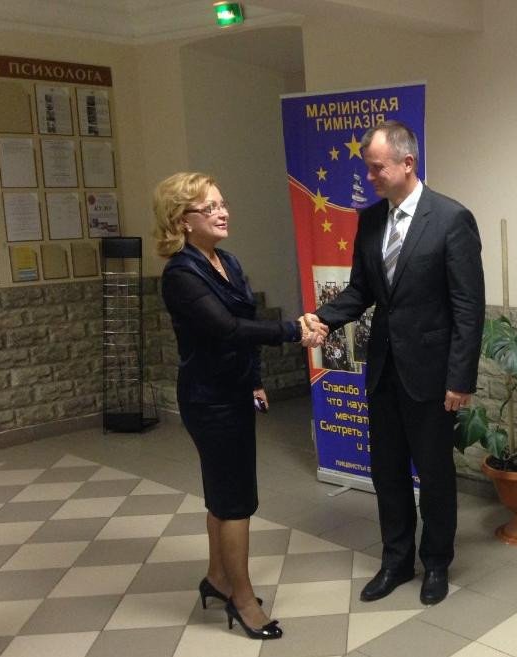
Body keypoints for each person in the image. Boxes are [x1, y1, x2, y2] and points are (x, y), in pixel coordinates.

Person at [305, 120, 485, 605]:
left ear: (408, 163)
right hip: (384, 369)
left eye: (376, 168)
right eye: (367, 168)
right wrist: (321, 319)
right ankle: (396, 561)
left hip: (432, 375)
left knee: (435, 473)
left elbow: (468, 308)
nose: (369, 177)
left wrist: (460, 379)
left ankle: (437, 563)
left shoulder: (451, 219)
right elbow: (361, 291)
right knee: (386, 472)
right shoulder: (370, 221)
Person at [154, 172, 324, 640]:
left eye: (222, 203)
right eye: (208, 208)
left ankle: (217, 578)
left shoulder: (226, 260)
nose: (222, 212)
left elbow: (243, 325)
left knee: (223, 494)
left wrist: (255, 380)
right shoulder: (181, 275)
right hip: (208, 399)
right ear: (182, 220)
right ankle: (242, 600)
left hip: (234, 390)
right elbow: (226, 329)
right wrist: (293, 331)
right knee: (236, 502)